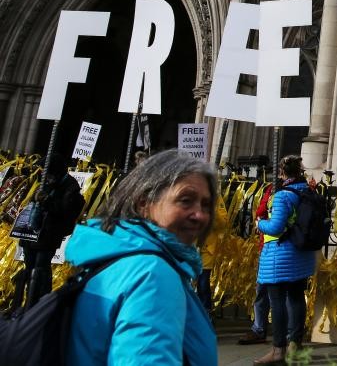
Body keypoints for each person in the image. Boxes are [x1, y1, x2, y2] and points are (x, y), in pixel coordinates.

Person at [63, 149, 217, 365]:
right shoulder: (153, 273)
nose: (199, 214)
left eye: (206, 205)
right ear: (144, 204)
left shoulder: (118, 257)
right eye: (185, 200)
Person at [255, 155, 319, 365]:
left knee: (277, 302)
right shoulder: (308, 191)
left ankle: (278, 349)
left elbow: (275, 227)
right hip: (302, 253)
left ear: (282, 173)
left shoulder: (283, 195)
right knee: (297, 298)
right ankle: (295, 345)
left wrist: (260, 223)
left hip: (281, 254)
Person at [13, 152, 84, 308]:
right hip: (33, 234)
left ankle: (39, 304)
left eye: (50, 173)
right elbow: (34, 201)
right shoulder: (45, 180)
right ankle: (27, 302)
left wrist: (46, 200)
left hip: (48, 235)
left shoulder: (70, 186)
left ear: (56, 171)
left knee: (41, 269)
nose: (47, 176)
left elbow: (65, 210)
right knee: (29, 266)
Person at [239, 182, 274, 345]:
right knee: (263, 290)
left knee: (277, 293)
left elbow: (263, 215)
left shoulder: (284, 191)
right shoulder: (272, 188)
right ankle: (260, 329)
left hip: (276, 248)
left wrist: (261, 223)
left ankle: (284, 334)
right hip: (266, 247)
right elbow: (260, 212)